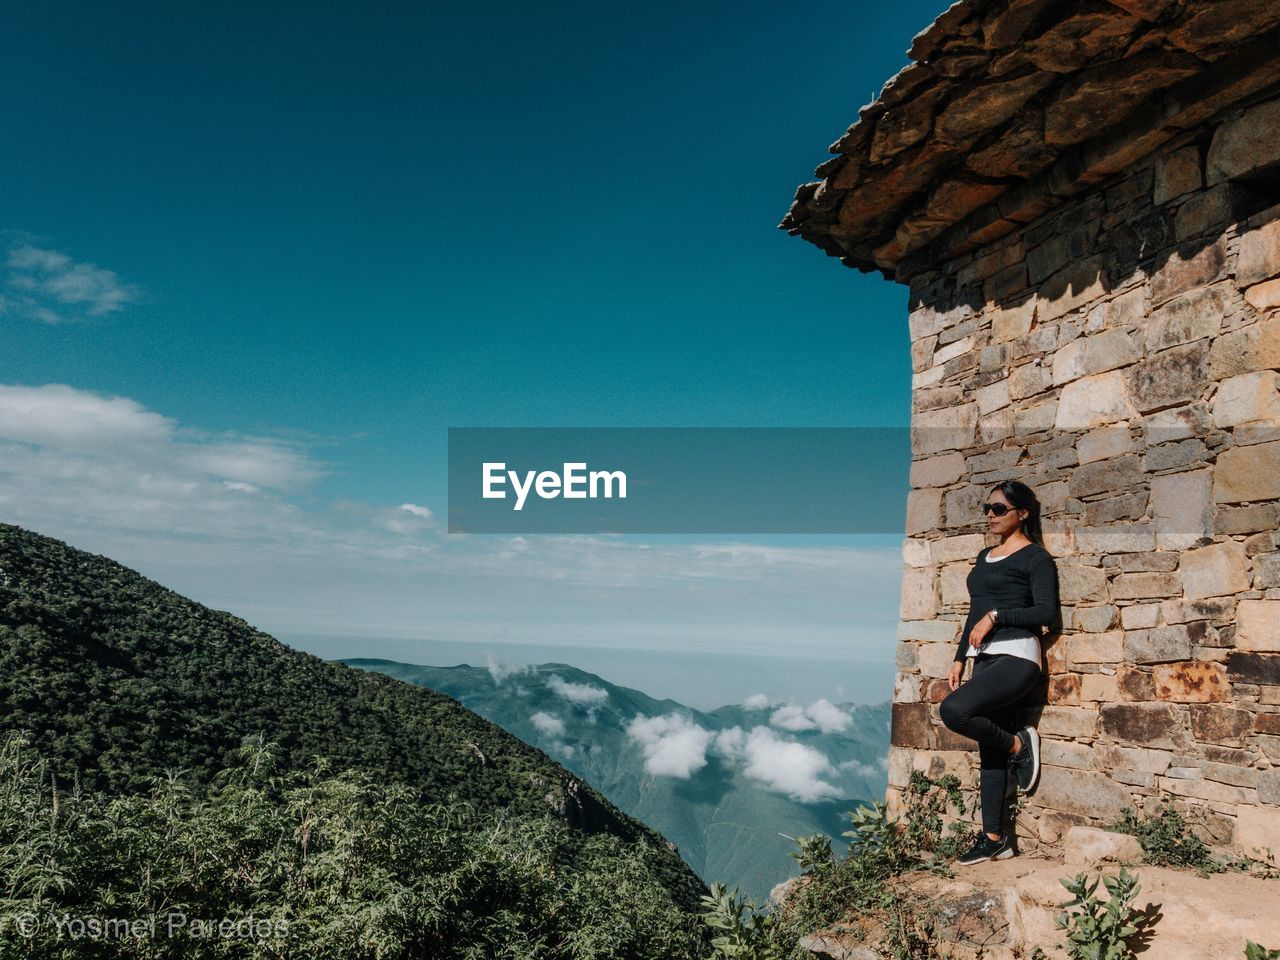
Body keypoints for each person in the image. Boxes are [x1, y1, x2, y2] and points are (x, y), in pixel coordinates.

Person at [939, 479, 1061, 866]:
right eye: (987, 509)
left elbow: (1046, 613)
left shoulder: (1036, 559)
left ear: (1022, 513)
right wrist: (961, 656)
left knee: (953, 711)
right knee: (987, 751)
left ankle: (1018, 746)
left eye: (999, 509)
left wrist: (998, 616)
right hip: (985, 659)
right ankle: (995, 839)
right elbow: (976, 612)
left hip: (1018, 658)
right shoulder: (983, 557)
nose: (990, 515)